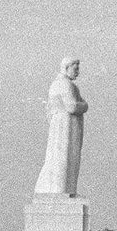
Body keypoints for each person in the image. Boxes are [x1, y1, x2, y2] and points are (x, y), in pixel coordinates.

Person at [34, 57, 89, 196]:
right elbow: (72, 106)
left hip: (62, 125)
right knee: (62, 156)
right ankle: (60, 190)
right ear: (66, 67)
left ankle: (63, 189)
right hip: (65, 127)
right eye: (75, 69)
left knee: (61, 157)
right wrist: (85, 105)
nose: (77, 72)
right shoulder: (64, 85)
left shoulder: (60, 84)